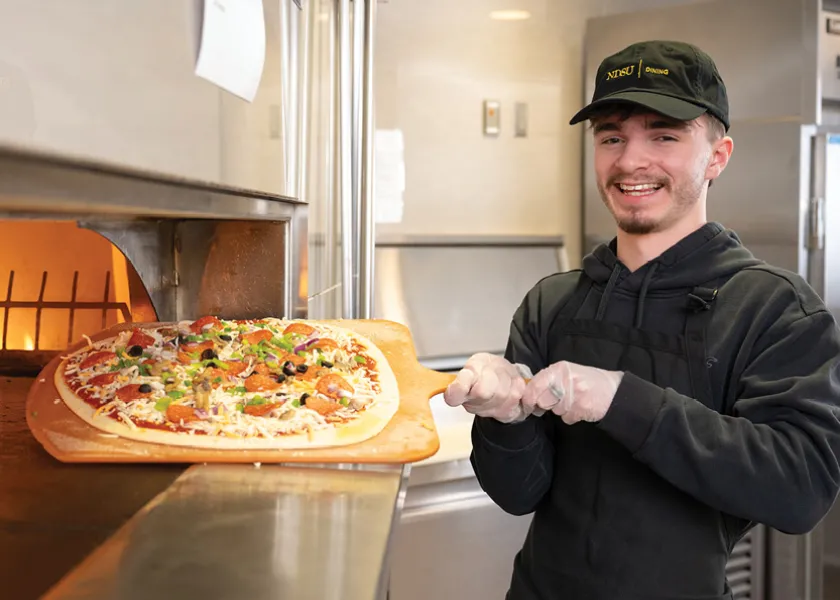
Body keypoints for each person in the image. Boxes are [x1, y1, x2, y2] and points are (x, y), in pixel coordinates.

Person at [444, 40, 840, 600]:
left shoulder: (771, 309)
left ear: (718, 156)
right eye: (612, 137)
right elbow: (518, 494)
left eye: (664, 135)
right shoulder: (554, 301)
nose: (630, 161)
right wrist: (503, 417)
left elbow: (800, 490)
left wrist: (619, 398)